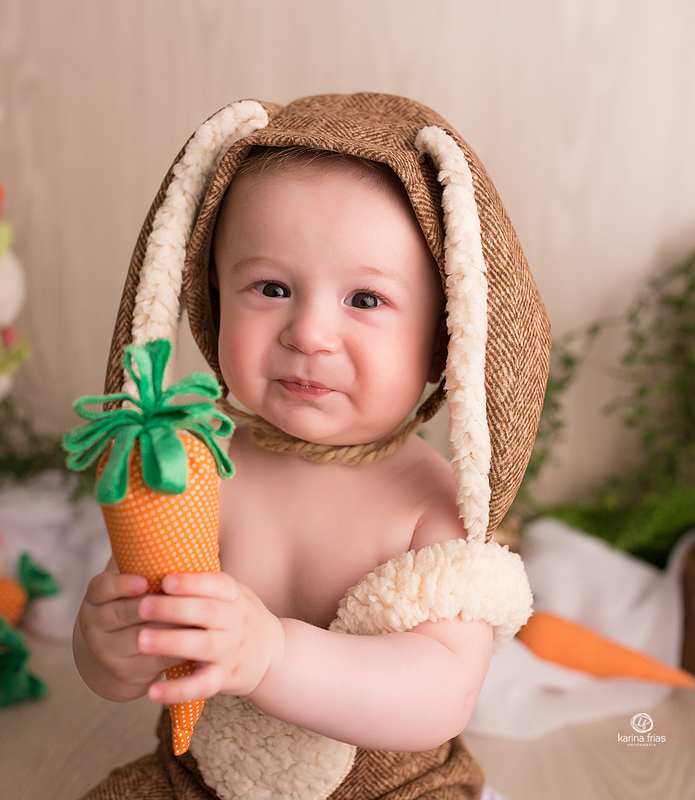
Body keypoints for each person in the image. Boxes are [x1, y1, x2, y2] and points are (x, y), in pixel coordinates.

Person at [73, 94, 551, 800]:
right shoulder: (196, 466)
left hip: (394, 789)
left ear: (447, 339)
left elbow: (440, 695)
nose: (309, 334)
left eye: (365, 300)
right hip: (201, 779)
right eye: (271, 287)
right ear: (212, 298)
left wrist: (271, 655)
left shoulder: (432, 508)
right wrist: (109, 647)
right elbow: (130, 652)